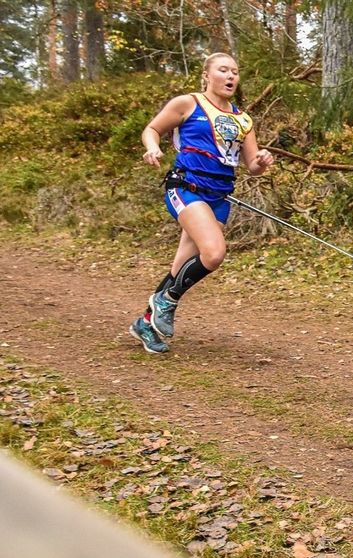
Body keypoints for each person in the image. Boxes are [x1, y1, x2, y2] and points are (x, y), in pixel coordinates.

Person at [129, 52, 275, 353]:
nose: (231, 76)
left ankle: (145, 323)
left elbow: (252, 166)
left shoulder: (243, 119)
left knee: (181, 266)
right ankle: (164, 301)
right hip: (186, 187)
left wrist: (263, 160)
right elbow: (152, 129)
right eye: (223, 70)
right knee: (214, 253)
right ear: (206, 75)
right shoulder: (188, 103)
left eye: (235, 71)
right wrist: (153, 148)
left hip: (218, 196)